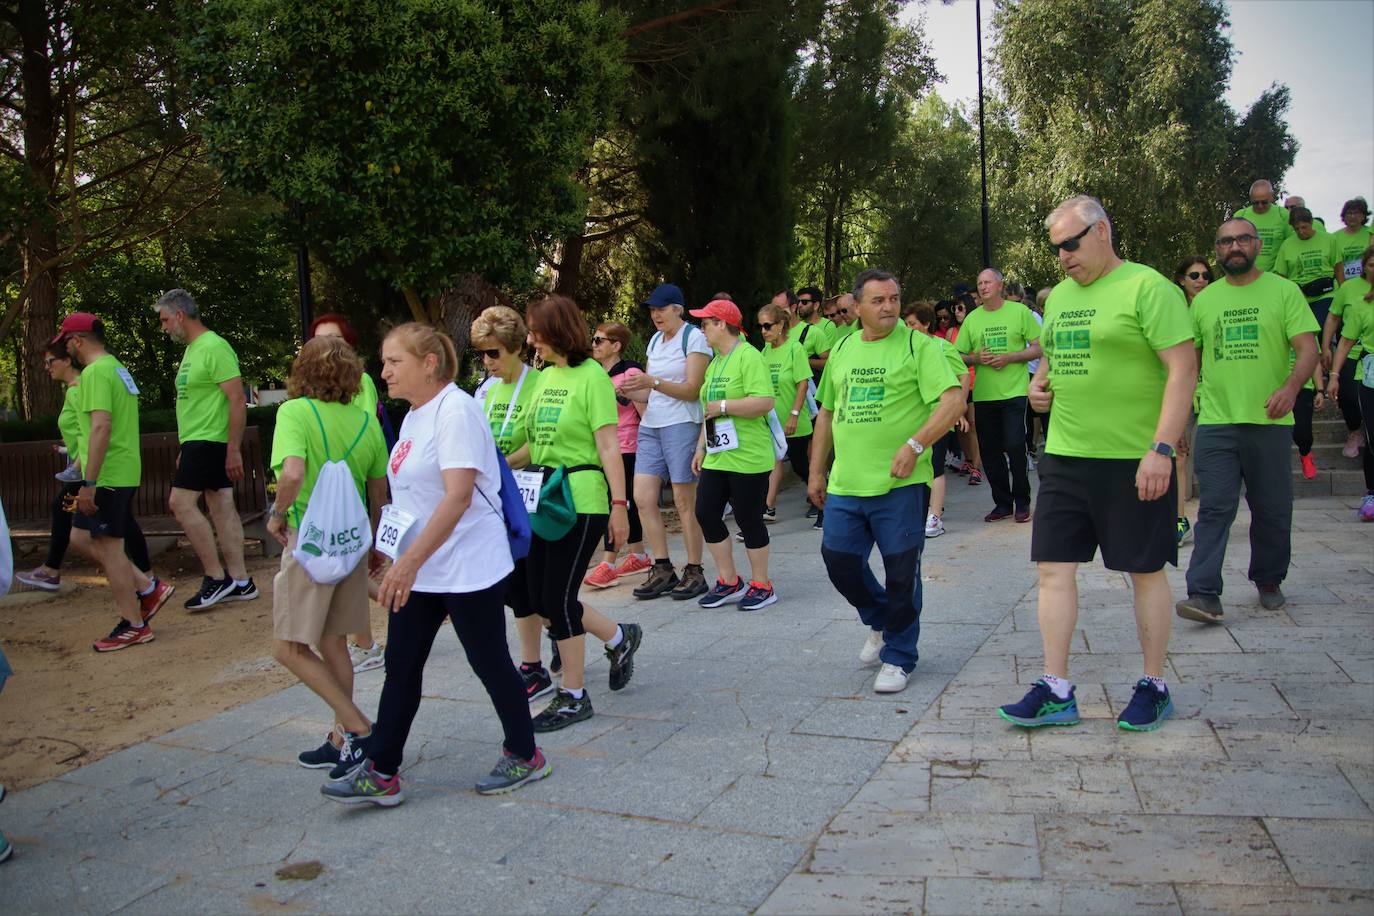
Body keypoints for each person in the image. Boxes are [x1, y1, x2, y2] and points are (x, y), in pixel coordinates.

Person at [322, 323, 551, 805]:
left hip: (468, 564)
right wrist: (388, 548)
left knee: (488, 661)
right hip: (423, 563)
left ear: (429, 364)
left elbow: (458, 497)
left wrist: (407, 564)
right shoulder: (414, 416)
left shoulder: (456, 411)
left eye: (393, 361)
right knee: (402, 665)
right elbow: (410, 495)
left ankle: (525, 753)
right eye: (383, 362)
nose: (382, 371)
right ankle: (383, 769)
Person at [999, 195, 1195, 732]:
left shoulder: (1148, 288)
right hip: (1065, 455)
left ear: (1102, 230)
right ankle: (1056, 688)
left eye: (1071, 243)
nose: (1062, 256)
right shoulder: (1060, 298)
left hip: (1133, 458)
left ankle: (1154, 685)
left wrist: (1161, 448)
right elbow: (1053, 365)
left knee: (1144, 570)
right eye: (1056, 247)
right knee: (1053, 570)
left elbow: (1182, 372)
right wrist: (1040, 389)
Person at [810, 270, 963, 694]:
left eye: (894, 298)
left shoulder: (919, 346)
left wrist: (915, 445)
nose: (889, 307)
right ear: (857, 307)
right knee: (839, 561)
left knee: (901, 573)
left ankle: (899, 654)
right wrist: (817, 470)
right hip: (846, 484)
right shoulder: (841, 347)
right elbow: (826, 412)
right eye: (878, 300)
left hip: (901, 485)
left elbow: (952, 401)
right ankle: (879, 617)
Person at [1175, 218, 1319, 623]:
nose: (1233, 246)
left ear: (1256, 245)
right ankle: (1203, 593)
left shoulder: (1284, 291)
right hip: (1217, 422)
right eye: (1225, 241)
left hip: (1270, 423)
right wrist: (1177, 423)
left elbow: (1308, 349)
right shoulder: (1203, 301)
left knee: (1272, 508)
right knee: (1216, 507)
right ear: (1217, 249)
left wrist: (1291, 388)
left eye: (1241, 239)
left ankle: (1269, 579)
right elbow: (1189, 365)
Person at [265, 336, 389, 777]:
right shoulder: (365, 422)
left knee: (288, 646)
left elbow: (293, 472)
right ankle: (341, 738)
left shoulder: (293, 413)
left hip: (310, 542)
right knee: (334, 642)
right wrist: (376, 545)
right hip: (352, 542)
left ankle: (356, 728)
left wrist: (277, 515)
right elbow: (379, 494)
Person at [521, 295, 641, 731]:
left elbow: (610, 445)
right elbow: (536, 442)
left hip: (582, 498)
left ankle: (573, 695)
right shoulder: (542, 377)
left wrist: (619, 505)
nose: (531, 339)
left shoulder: (592, 377)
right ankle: (618, 636)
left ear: (556, 332)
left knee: (557, 599)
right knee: (537, 598)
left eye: (536, 330)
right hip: (541, 496)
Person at [54, 313, 175, 651]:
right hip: (118, 469)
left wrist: (89, 481)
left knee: (110, 548)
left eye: (66, 341)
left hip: (108, 474)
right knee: (79, 536)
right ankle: (148, 589)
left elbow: (101, 426)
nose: (67, 348)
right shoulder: (116, 367)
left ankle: (135, 624)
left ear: (77, 341)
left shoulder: (94, 373)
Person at [16, 343, 164, 599]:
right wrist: (69, 450)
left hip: (98, 470)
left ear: (67, 360)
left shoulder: (86, 384)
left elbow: (98, 429)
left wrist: (81, 469)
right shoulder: (91, 381)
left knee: (81, 527)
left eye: (51, 361)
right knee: (107, 529)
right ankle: (146, 584)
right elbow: (87, 430)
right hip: (99, 468)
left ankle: (145, 586)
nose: (47, 367)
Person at [465, 305, 561, 701]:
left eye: (494, 353)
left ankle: (562, 636)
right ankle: (533, 664)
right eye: (482, 354)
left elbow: (539, 439)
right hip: (495, 499)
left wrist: (499, 465)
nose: (487, 362)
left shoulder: (540, 383)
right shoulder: (485, 390)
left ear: (517, 348)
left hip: (531, 491)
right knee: (516, 588)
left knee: (539, 586)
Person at [154, 289, 257, 610]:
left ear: (180, 315)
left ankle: (216, 577)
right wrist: (187, 444)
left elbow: (237, 398)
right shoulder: (193, 350)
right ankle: (241, 581)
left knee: (180, 503)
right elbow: (197, 403)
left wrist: (233, 449)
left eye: (165, 320)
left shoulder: (214, 346)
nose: (164, 327)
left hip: (211, 440)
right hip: (199, 441)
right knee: (221, 505)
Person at [684, 299, 781, 609]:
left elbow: (765, 401)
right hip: (718, 454)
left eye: (706, 323)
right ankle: (729, 581)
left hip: (749, 456)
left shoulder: (749, 357)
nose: (702, 329)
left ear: (722, 325)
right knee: (706, 513)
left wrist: (725, 406)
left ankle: (762, 585)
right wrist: (700, 447)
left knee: (748, 518)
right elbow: (707, 411)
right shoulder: (715, 363)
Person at [616, 284, 711, 601]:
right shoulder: (656, 340)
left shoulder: (693, 338)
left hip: (682, 423)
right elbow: (648, 391)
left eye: (661, 308)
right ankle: (662, 567)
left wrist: (651, 381)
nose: (655, 314)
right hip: (652, 424)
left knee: (685, 502)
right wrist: (628, 391)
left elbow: (693, 390)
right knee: (642, 498)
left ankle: (695, 569)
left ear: (678, 309)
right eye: (652, 309)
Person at [307, 313, 387, 674]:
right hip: (325, 490)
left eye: (335, 340)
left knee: (350, 565)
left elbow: (362, 427)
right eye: (320, 340)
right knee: (349, 568)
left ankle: (366, 642)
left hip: (346, 488)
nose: (327, 348)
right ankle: (393, 616)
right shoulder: (309, 400)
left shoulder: (363, 382)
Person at [956, 269, 1042, 522]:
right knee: (991, 451)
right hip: (984, 395)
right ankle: (1002, 503)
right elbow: (958, 355)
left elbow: (1039, 348)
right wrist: (976, 359)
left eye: (987, 282)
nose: (982, 287)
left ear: (1000, 285)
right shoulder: (972, 319)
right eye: (979, 283)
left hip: (1014, 392)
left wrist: (1010, 357)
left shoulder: (1020, 313)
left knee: (1016, 446)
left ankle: (1022, 501)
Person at [583, 321, 653, 587]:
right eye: (593, 339)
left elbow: (645, 407)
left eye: (599, 340)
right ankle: (638, 554)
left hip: (627, 446)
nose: (594, 345)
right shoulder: (594, 373)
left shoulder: (629, 371)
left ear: (616, 346)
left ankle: (608, 563)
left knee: (616, 504)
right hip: (602, 448)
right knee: (625, 504)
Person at [903, 301, 971, 539]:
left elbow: (963, 375)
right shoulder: (905, 349)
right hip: (914, 418)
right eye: (906, 324)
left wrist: (958, 409)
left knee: (935, 464)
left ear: (926, 324)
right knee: (917, 465)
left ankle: (935, 517)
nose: (908, 328)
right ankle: (919, 511)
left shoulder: (941, 347)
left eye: (912, 324)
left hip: (939, 416)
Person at [1326, 246, 1374, 522]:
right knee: (1373, 435)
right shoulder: (1362, 302)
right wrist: (1333, 375)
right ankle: (1371, 491)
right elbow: (1345, 341)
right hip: (1369, 373)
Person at [759, 303, 816, 526]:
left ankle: (823, 504)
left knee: (803, 467)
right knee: (774, 462)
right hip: (773, 421)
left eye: (767, 326)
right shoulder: (765, 351)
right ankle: (768, 508)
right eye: (760, 326)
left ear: (781, 324)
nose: (763, 331)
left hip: (795, 422)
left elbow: (803, 384)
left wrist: (794, 414)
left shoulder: (795, 348)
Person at [1325, 202, 1373, 457]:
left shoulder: (1369, 235)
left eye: (1358, 212)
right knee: (1349, 396)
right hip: (1359, 353)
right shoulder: (1354, 295)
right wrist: (1332, 370)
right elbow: (1343, 335)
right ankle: (1355, 430)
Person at [1170, 256, 1213, 543]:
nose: (1200, 280)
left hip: (1213, 392)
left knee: (1211, 458)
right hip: (1181, 391)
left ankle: (1213, 519)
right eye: (1194, 275)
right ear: (1182, 280)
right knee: (1178, 456)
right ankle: (1178, 520)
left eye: (1205, 275)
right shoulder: (1173, 311)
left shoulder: (1217, 306)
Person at [1273, 207, 1341, 328]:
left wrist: (1344, 293)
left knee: (1319, 326)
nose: (1301, 231)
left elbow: (1338, 268)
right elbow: (1281, 275)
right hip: (1299, 294)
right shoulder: (1287, 245)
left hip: (1325, 292)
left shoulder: (1329, 239)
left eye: (1304, 227)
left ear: (1311, 223)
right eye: (1296, 229)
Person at [945, 295, 984, 486]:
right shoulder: (951, 331)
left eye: (960, 308)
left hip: (974, 381)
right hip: (956, 382)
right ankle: (968, 460)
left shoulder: (975, 327)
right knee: (960, 426)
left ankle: (977, 466)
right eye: (955, 309)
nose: (957, 312)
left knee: (973, 424)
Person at [1235, 180, 1292, 273]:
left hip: (1275, 276)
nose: (1260, 206)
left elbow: (1290, 246)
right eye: (1256, 203)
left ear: (1272, 197)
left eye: (1264, 202)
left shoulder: (1283, 215)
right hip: (1246, 275)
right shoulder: (1241, 216)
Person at [794, 285, 836, 383]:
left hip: (816, 385)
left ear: (816, 305)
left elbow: (830, 362)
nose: (799, 305)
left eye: (804, 302)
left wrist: (804, 361)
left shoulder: (828, 326)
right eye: (798, 302)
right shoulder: (796, 326)